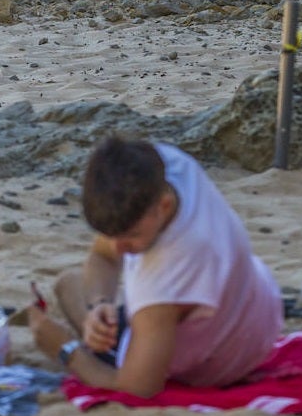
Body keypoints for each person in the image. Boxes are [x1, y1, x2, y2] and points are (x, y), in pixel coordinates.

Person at [28, 135, 283, 398]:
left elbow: (138, 388)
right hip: (260, 308)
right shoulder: (168, 164)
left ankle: (95, 339)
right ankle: (98, 323)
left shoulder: (163, 280)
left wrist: (64, 348)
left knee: (68, 287)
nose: (118, 249)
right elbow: (103, 256)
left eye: (132, 236)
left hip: (221, 364)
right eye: (111, 235)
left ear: (164, 205)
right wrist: (99, 302)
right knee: (72, 283)